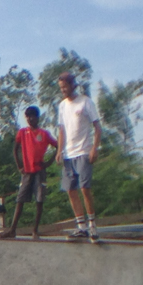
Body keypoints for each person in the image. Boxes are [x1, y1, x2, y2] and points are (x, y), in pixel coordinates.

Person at [56, 71, 102, 242]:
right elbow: (61, 129)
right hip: (68, 154)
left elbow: (97, 127)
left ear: (72, 85)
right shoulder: (62, 106)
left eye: (65, 87)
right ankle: (80, 226)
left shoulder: (85, 102)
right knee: (71, 190)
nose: (63, 90)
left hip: (83, 151)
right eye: (61, 88)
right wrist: (59, 150)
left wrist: (94, 148)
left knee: (85, 188)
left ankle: (92, 225)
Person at [0, 106, 58, 240]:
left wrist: (48, 163)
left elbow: (57, 146)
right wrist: (19, 166)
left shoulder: (44, 134)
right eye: (28, 116)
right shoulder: (22, 132)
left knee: (39, 200)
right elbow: (16, 149)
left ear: (37, 117)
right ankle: (12, 229)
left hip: (39, 171)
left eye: (32, 116)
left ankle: (35, 230)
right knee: (20, 199)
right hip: (27, 171)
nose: (30, 119)